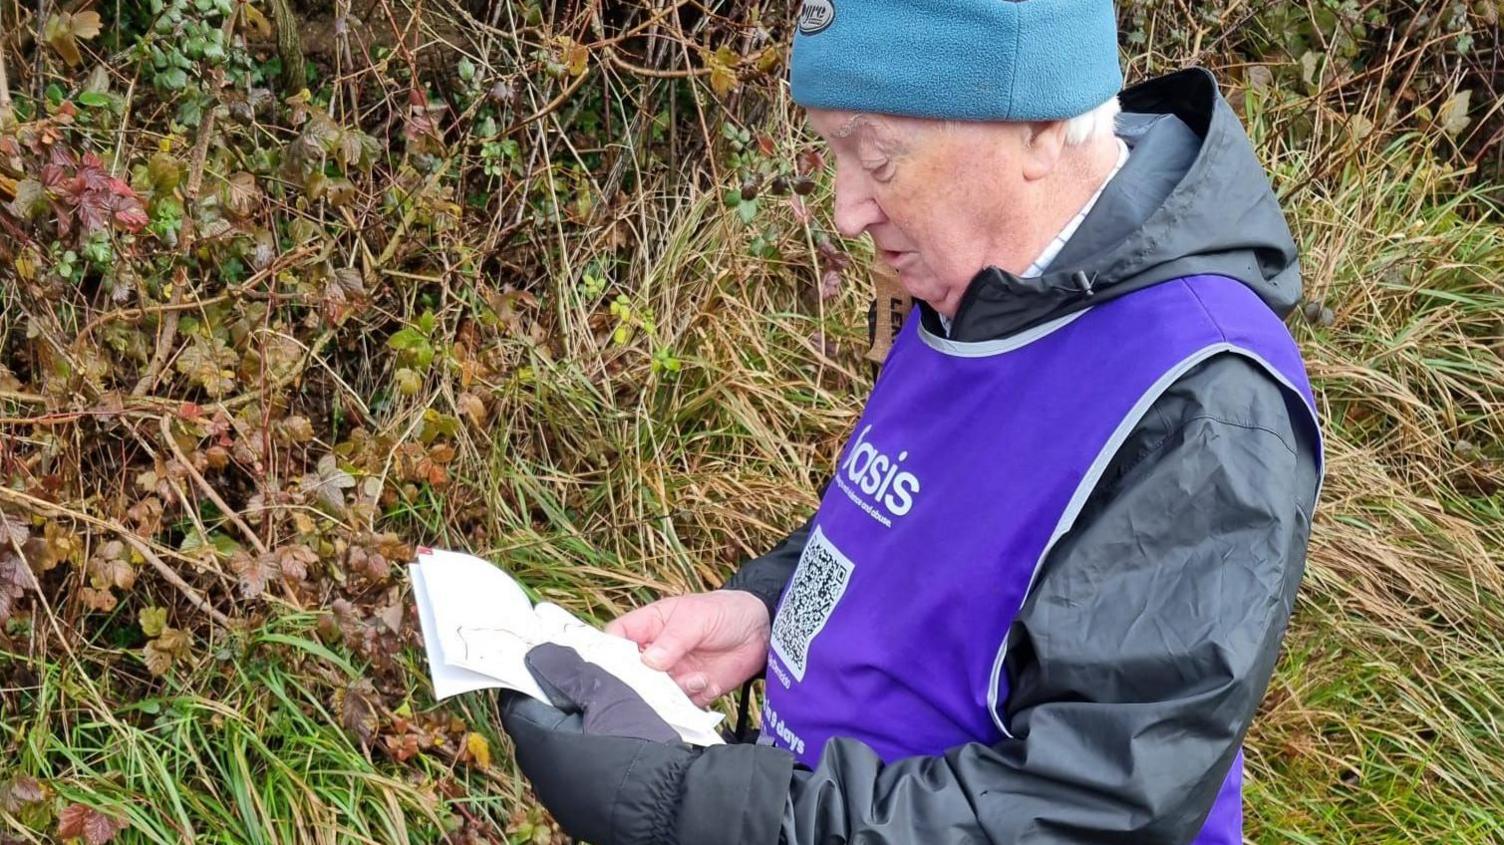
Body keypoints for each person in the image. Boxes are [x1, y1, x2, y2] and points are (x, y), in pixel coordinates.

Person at [498, 0, 1323, 842]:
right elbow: (929, 526)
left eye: (878, 157)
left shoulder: (1203, 401)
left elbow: (1089, 806)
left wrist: (693, 812)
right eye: (832, 153)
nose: (846, 209)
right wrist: (772, 608)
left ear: (1037, 129)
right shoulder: (984, 282)